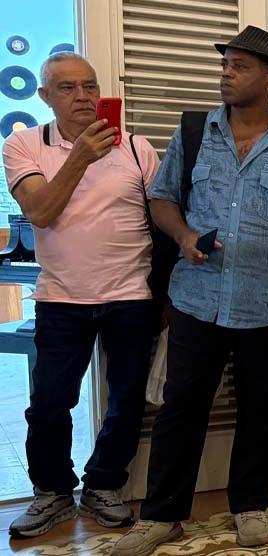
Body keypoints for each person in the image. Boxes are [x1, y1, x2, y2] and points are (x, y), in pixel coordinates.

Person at [111, 26, 268, 556]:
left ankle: (250, 506)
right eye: (225, 64)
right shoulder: (193, 134)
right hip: (197, 299)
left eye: (240, 66)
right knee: (180, 407)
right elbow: (162, 199)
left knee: (259, 408)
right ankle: (163, 514)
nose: (226, 74)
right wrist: (184, 235)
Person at [1, 52, 158, 538]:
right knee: (49, 401)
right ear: (45, 96)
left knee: (128, 399)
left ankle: (104, 486)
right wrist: (81, 157)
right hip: (62, 297)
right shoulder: (23, 144)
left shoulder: (136, 148)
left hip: (132, 295)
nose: (83, 96)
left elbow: (163, 221)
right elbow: (41, 212)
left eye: (90, 86)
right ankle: (52, 493)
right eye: (67, 88)